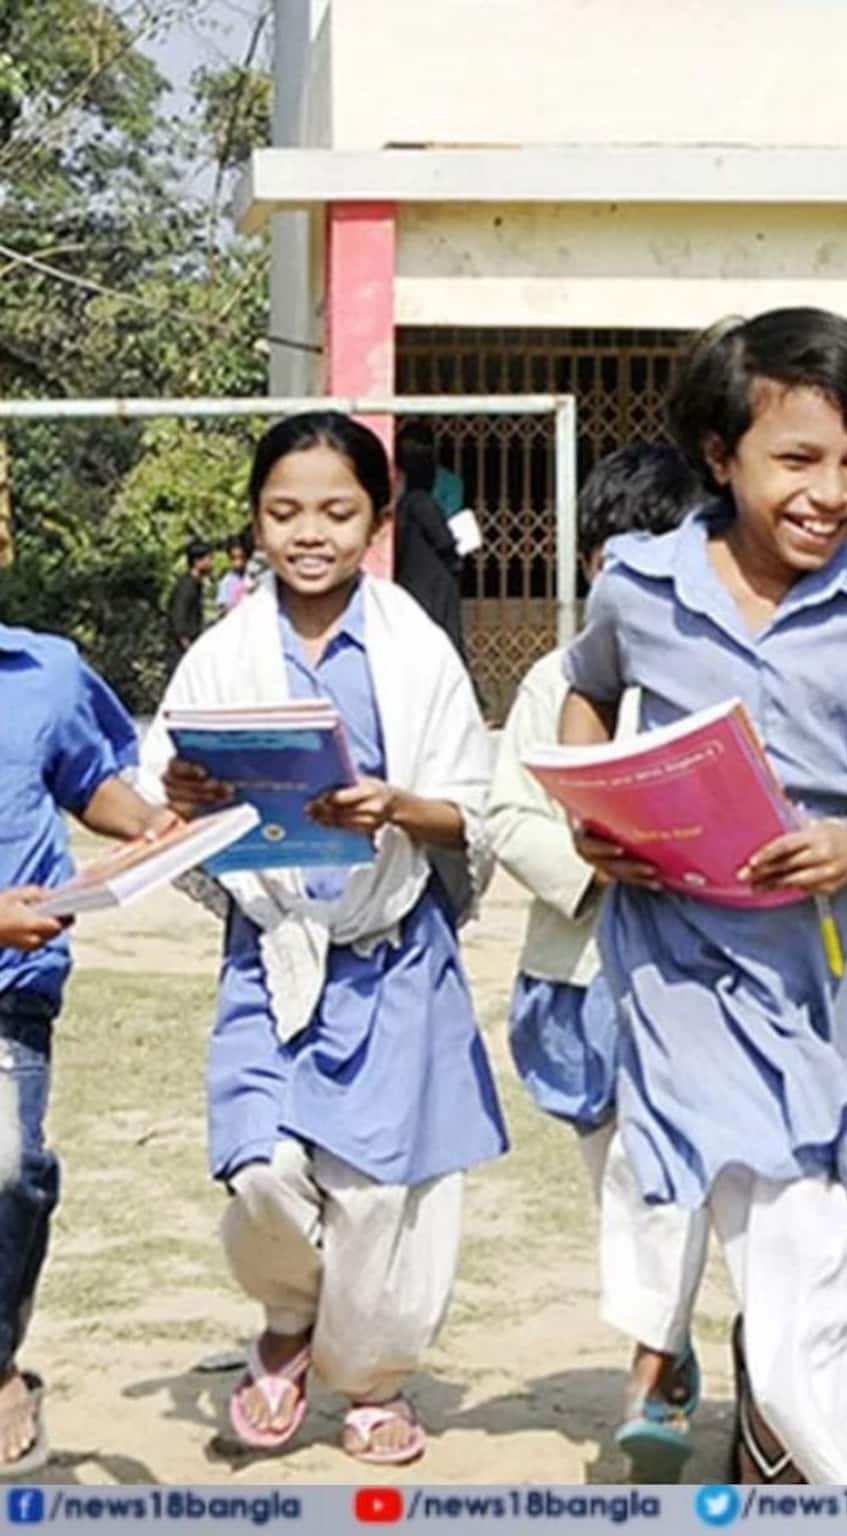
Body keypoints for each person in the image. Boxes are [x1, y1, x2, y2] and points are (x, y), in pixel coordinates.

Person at [560, 307, 847, 1486]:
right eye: (797, 459)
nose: (834, 492)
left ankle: (795, 1451)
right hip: (682, 965)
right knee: (796, 1240)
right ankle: (842, 1479)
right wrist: (592, 820)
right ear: (719, 456)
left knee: (815, 1234)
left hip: (839, 968)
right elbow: (586, 698)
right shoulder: (640, 587)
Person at [141, 411, 505, 1467]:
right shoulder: (222, 652)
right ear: (254, 521)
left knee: (389, 1194)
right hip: (274, 946)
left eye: (338, 511)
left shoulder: (415, 649)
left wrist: (398, 805)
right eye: (284, 511)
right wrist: (184, 788)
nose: (310, 533)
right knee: (257, 1171)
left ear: (379, 521)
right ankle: (290, 1321)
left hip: (391, 950)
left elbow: (467, 811)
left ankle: (377, 1379)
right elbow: (167, 792)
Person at [486, 443, 708, 1481]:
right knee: (612, 1175)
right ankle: (667, 1338)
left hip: (697, 971)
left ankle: (651, 1365)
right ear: (588, 567)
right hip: (577, 975)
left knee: (658, 1173)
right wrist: (595, 869)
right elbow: (506, 813)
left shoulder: (721, 671)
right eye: (612, 558)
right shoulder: (551, 675)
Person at [0, 629, 177, 1478]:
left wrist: (146, 824)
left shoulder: (46, 672)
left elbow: (87, 780)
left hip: (11, 982)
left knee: (6, 1171)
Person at [393, 431, 467, 665]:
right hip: (434, 584)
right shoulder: (421, 502)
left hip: (412, 581)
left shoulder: (404, 505)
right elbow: (443, 539)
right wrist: (455, 560)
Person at [170, 539, 213, 655]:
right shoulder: (187, 586)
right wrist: (188, 649)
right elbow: (178, 618)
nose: (211, 563)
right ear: (197, 561)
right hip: (185, 649)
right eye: (208, 559)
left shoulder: (196, 584)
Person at [216, 534, 253, 613]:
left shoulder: (254, 577)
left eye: (241, 557)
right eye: (233, 558)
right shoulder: (226, 582)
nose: (237, 562)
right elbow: (223, 609)